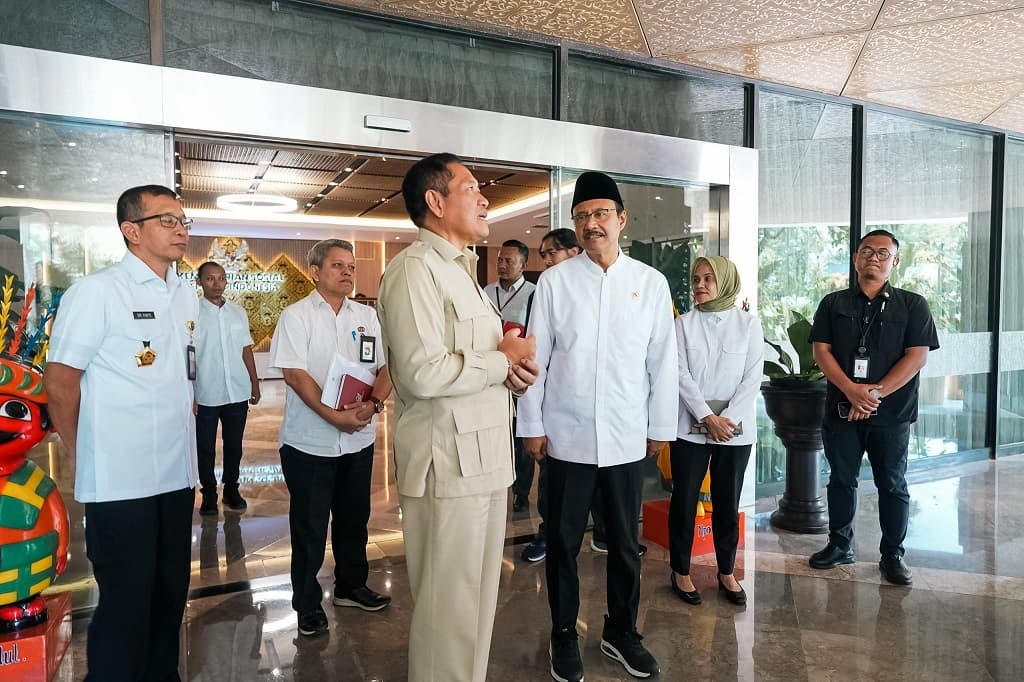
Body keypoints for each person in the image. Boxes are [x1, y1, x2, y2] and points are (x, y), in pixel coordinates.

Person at [376, 153, 539, 682]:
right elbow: (423, 373)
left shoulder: (461, 272)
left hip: (485, 460)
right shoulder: (413, 271)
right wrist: (502, 362)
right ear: (435, 201)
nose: (485, 197)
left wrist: (509, 371)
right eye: (472, 188)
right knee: (448, 614)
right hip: (447, 467)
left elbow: (472, 364)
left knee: (473, 609)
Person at [518, 171, 678, 681]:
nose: (591, 224)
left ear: (621, 219)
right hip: (566, 437)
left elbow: (662, 361)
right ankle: (564, 632)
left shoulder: (649, 283)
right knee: (563, 542)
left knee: (625, 546)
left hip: (627, 435)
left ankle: (621, 630)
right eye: (582, 215)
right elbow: (536, 358)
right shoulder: (555, 283)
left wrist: (660, 427)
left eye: (601, 214)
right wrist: (532, 424)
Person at [45, 184, 198, 680]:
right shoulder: (97, 292)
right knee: (126, 601)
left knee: (170, 592)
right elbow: (62, 382)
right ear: (132, 232)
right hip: (120, 482)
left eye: (183, 220)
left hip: (175, 476)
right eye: (167, 220)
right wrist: (81, 449)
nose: (180, 229)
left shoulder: (184, 293)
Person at [268, 239, 394, 638]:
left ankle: (351, 586)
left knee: (354, 519)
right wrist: (333, 417)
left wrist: (372, 405)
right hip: (310, 443)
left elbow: (387, 366)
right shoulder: (297, 316)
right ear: (315, 271)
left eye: (352, 266)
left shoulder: (367, 316)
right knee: (309, 525)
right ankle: (306, 603)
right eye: (338, 265)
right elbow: (295, 374)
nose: (347, 272)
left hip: (357, 439)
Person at [808, 229, 939, 585]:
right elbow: (822, 352)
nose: (874, 258)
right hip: (842, 410)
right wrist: (851, 390)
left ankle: (893, 555)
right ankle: (839, 545)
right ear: (855, 258)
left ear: (895, 262)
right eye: (867, 251)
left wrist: (873, 395)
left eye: (883, 253)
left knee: (892, 484)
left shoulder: (914, 305)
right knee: (840, 481)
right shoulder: (832, 303)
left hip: (891, 413)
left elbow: (916, 358)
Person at [668, 256, 763, 606]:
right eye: (696, 278)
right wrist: (708, 416)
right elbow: (679, 374)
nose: (700, 284)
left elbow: (753, 378)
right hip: (690, 427)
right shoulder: (682, 325)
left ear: (725, 282)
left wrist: (727, 420)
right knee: (685, 501)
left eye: (709, 278)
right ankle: (680, 570)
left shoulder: (749, 325)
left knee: (727, 502)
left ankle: (726, 571)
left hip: (734, 432)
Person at [520, 229, 582, 563]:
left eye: (551, 253)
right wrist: (533, 421)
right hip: (555, 407)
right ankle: (548, 536)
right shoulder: (545, 290)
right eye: (542, 254)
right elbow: (536, 357)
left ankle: (602, 533)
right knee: (552, 485)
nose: (545, 260)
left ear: (574, 252)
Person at [194, 261, 261, 516]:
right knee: (205, 447)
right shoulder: (192, 314)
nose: (216, 283)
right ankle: (209, 493)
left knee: (235, 444)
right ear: (199, 281)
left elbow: (246, 349)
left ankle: (232, 489)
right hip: (206, 392)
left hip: (237, 390)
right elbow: (188, 355)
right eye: (210, 278)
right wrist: (190, 392)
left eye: (221, 278)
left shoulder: (238, 312)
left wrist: (254, 383)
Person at [485, 239, 537, 512]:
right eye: (500, 260)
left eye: (509, 261)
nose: (503, 265)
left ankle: (521, 490)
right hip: (490, 371)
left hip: (518, 372)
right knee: (493, 431)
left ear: (523, 265)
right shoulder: (485, 291)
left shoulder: (533, 293)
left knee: (520, 435)